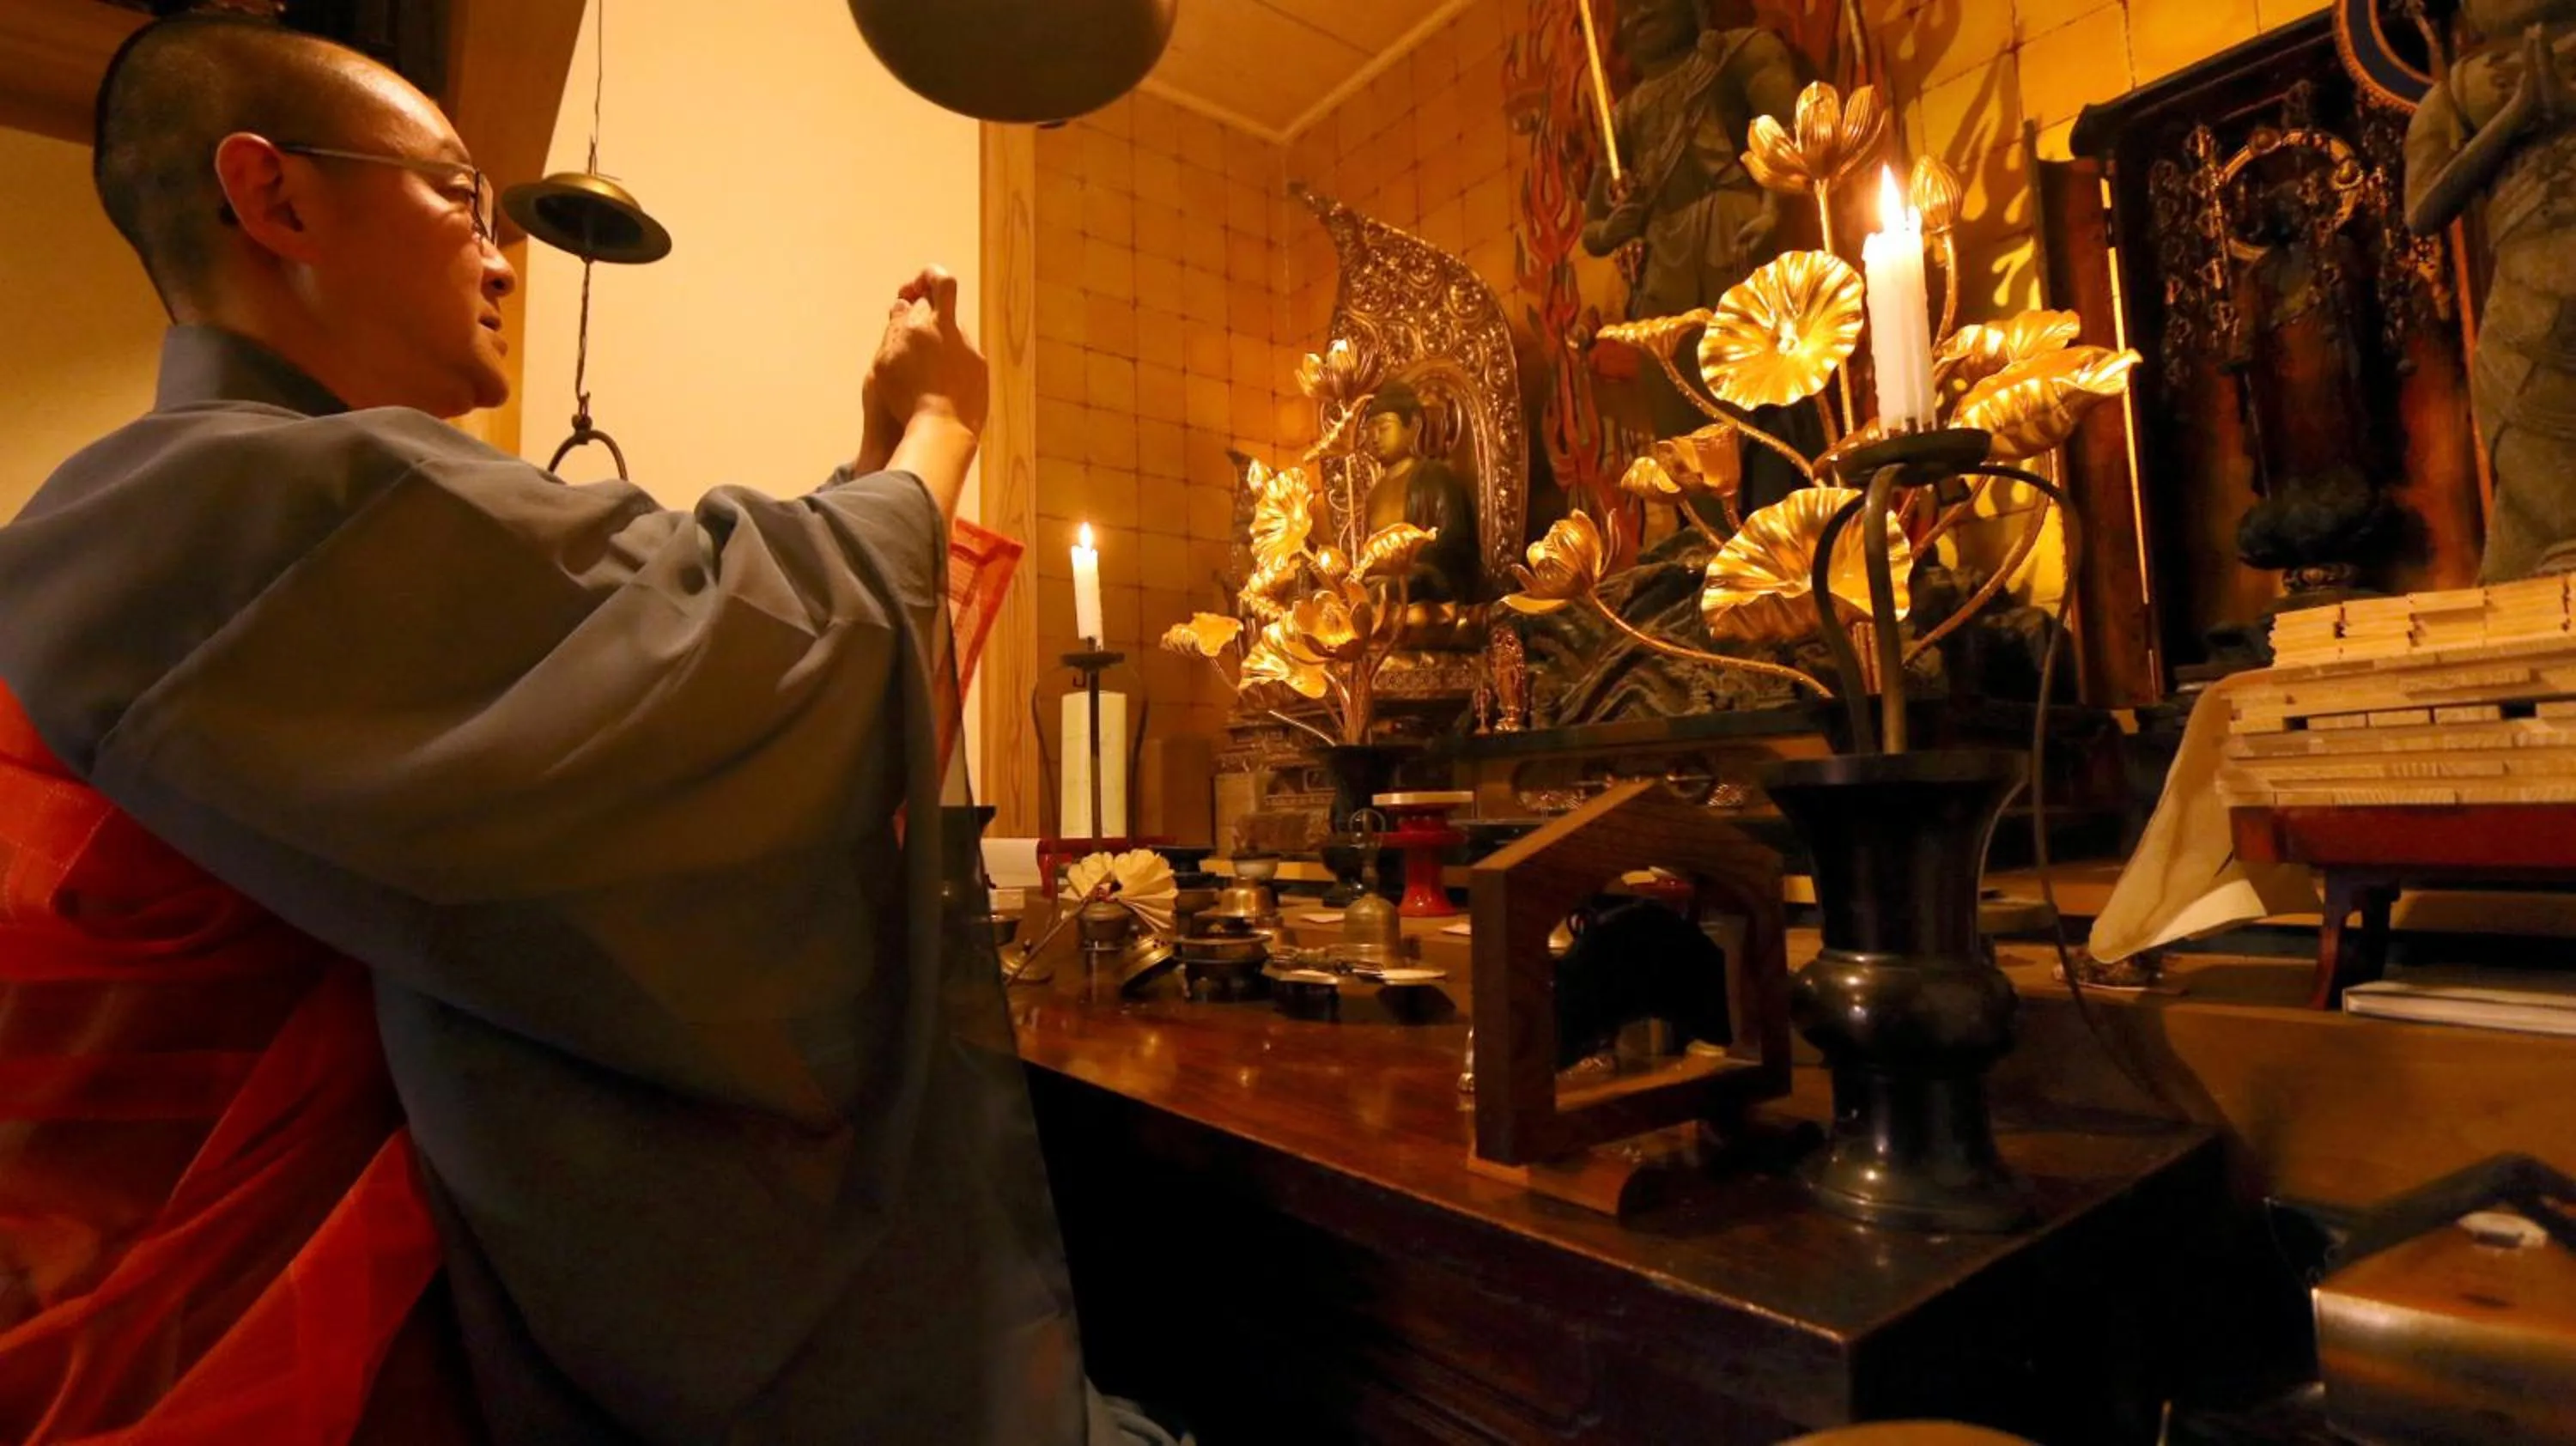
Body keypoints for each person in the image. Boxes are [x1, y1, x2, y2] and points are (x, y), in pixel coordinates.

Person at [0, 15, 1140, 1444]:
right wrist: (936, 439)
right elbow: (718, 695)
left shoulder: (225, 509)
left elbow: (660, 694)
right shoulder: (210, 508)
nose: (502, 248)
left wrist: (866, 473)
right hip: (280, 1355)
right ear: (275, 196)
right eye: (459, 196)